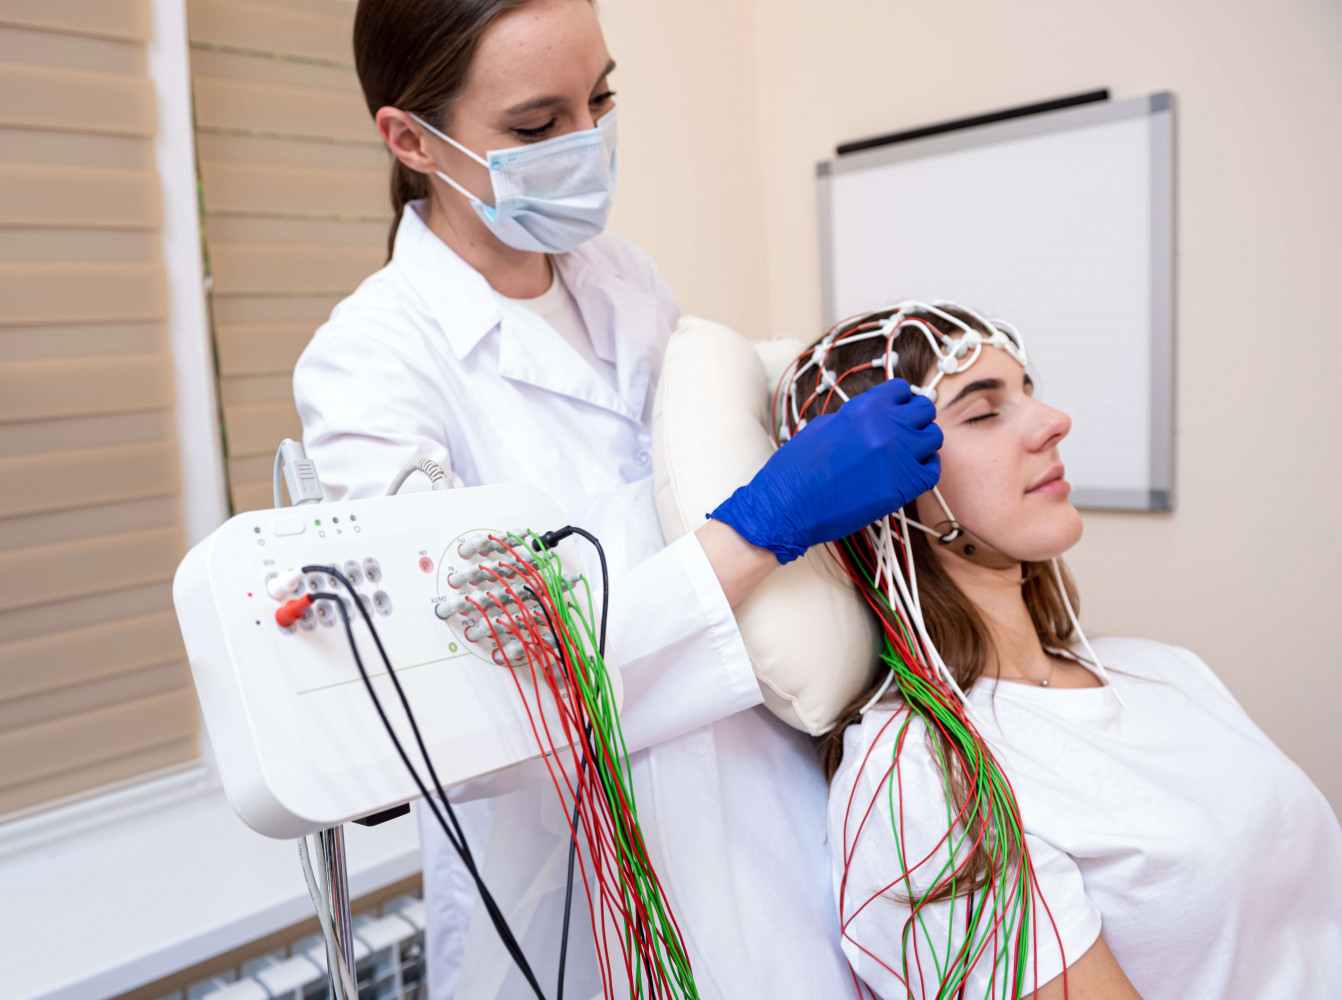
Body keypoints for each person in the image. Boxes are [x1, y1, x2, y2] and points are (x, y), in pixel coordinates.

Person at [293, 1, 942, 997]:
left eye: (599, 98)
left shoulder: (624, 278)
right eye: (535, 126)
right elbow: (476, 694)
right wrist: (760, 527)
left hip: (767, 813)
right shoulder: (371, 367)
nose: (586, 143)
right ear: (409, 138)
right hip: (574, 894)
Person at [795, 302, 1342, 1000]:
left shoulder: (1161, 669)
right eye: (983, 412)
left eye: (1027, 391)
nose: (1053, 421)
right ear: (885, 492)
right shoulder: (922, 779)